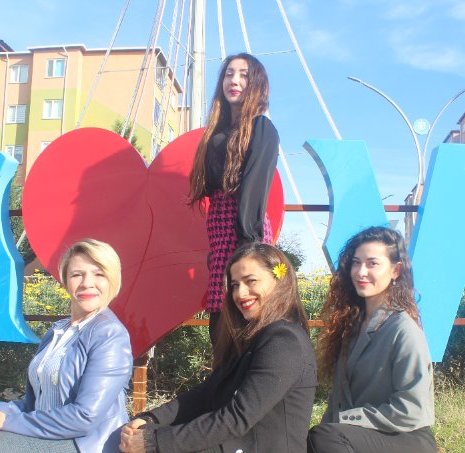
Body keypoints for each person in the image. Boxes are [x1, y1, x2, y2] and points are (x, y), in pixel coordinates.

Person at [0, 239, 133, 453]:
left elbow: (85, 417)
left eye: (99, 274)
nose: (87, 283)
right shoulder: (59, 330)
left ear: (112, 280)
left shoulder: (110, 334)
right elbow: (37, 402)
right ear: (65, 280)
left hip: (83, 443)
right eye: (77, 274)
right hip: (48, 434)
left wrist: (6, 423)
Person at [119, 242, 317, 453]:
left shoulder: (285, 341)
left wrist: (155, 442)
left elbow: (237, 417)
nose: (240, 293)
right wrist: (152, 419)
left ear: (279, 281)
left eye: (251, 281)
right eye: (234, 285)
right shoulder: (250, 337)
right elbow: (207, 395)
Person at [307, 227, 437, 453]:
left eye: (372, 264)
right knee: (313, 438)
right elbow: (338, 400)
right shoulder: (351, 327)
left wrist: (345, 420)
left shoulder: (403, 330)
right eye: (356, 263)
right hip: (356, 436)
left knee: (325, 438)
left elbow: (413, 409)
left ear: (396, 270)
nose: (361, 272)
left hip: (406, 437)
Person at [187, 52, 280, 344]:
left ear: (256, 84)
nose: (234, 81)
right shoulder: (218, 131)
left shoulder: (261, 127)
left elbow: (254, 187)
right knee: (221, 323)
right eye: (229, 74)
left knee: (245, 318)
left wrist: (247, 249)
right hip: (220, 234)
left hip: (244, 229)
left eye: (243, 75)